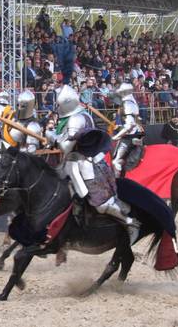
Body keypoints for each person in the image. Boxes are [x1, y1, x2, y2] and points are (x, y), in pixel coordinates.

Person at [46, 85, 139, 244]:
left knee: (100, 204)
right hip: (72, 162)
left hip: (86, 165)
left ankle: (131, 223)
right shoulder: (75, 116)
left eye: (59, 105)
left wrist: (50, 135)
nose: (57, 108)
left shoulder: (76, 119)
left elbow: (65, 146)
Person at [111, 83, 144, 177]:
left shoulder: (127, 104)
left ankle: (118, 182)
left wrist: (116, 136)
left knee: (116, 161)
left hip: (131, 135)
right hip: (134, 133)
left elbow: (129, 125)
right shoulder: (130, 101)